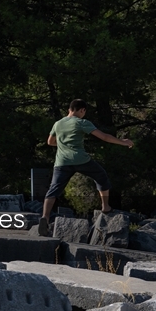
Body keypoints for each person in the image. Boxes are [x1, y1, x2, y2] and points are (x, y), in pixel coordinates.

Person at [38, 99, 133, 236]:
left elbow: (50, 142)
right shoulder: (81, 122)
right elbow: (104, 137)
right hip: (80, 159)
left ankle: (45, 218)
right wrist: (123, 142)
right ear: (82, 110)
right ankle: (105, 206)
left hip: (61, 162)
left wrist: (64, 144)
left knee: (53, 189)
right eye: (84, 112)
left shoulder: (58, 123)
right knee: (101, 175)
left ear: (69, 109)